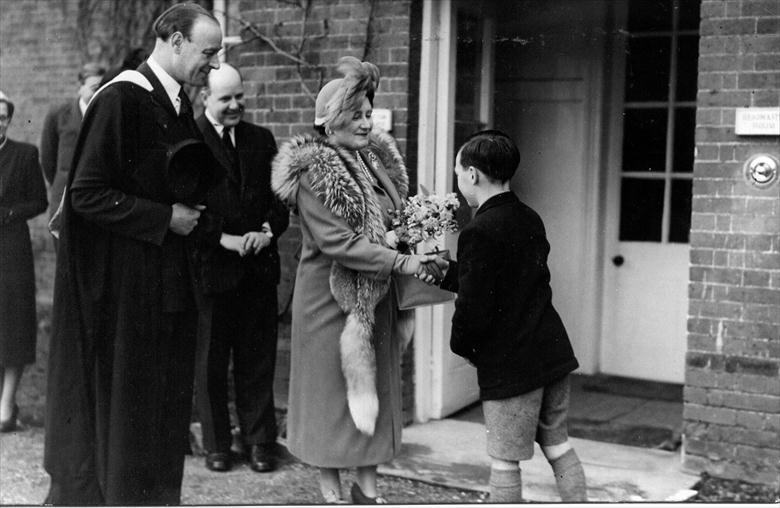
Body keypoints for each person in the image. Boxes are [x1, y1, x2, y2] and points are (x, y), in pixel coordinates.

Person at [42, 3, 222, 505]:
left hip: (165, 289)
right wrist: (167, 218)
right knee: (129, 419)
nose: (214, 62)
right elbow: (85, 195)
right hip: (126, 297)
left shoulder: (179, 105)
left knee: (160, 417)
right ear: (174, 41)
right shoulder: (121, 99)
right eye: (208, 52)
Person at [272, 56, 442, 504]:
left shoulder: (375, 160)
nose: (367, 123)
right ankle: (331, 493)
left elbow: (398, 213)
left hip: (374, 294)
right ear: (330, 122)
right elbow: (340, 243)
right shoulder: (316, 170)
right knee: (332, 399)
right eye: (357, 115)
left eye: (369, 114)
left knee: (374, 395)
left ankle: (367, 491)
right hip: (329, 303)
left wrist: (421, 232)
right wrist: (402, 263)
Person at [434, 130, 587, 502]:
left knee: (504, 461)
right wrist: (448, 272)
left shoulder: (478, 230)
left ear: (472, 174)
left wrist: (462, 346)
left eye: (458, 172)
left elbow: (475, 305)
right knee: (558, 446)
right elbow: (508, 283)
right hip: (551, 354)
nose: (459, 181)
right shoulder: (529, 217)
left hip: (512, 364)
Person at [194, 63, 289, 473]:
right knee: (212, 360)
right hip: (212, 270)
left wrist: (267, 230)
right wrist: (222, 238)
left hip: (257, 270)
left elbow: (280, 198)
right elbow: (183, 207)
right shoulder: (188, 140)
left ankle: (259, 441)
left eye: (239, 96)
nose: (235, 105)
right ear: (204, 98)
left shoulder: (261, 139)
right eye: (225, 98)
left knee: (257, 357)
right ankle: (217, 443)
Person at [0, 93, 48, 433]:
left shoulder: (24, 154)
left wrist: (11, 213)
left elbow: (39, 202)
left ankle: (6, 402)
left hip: (11, 247)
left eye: (2, 116)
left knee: (13, 322)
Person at [40, 63, 105, 236]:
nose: (97, 93)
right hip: (63, 199)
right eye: (94, 88)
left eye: (102, 88)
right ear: (80, 88)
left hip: (95, 202)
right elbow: (48, 158)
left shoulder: (106, 115)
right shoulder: (60, 114)